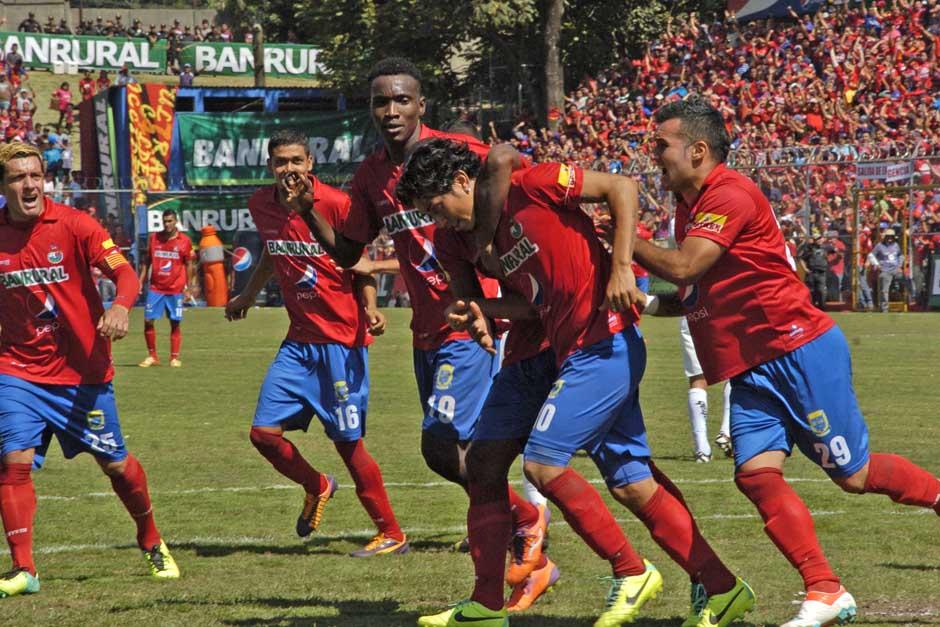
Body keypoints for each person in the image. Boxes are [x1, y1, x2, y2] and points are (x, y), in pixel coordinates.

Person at [400, 139, 754, 627]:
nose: (438, 221)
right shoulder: (452, 241)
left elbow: (617, 185)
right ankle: (720, 587)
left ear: (465, 183)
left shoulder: (532, 186)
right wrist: (475, 312)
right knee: (617, 481)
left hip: (598, 345)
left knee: (545, 466)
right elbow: (527, 305)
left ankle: (631, 571)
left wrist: (624, 266)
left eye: (436, 207)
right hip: (554, 348)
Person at [632, 96, 940, 627]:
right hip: (752, 367)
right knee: (755, 475)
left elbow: (685, 266)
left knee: (856, 475)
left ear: (698, 150)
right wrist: (648, 303)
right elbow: (700, 290)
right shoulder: (689, 205)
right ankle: (824, 588)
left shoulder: (728, 192)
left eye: (661, 144)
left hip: (795, 350)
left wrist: (622, 241)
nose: (652, 154)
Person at [294, 58, 544, 552]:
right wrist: (308, 212)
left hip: (471, 320)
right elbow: (349, 251)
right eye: (381, 101)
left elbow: (523, 178)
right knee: (460, 448)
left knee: (442, 444)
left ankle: (519, 520)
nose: (391, 110)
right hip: (425, 329)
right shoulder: (370, 175)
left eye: (402, 100)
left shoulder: (458, 152)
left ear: (421, 105)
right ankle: (510, 523)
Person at [0, 142, 180, 598]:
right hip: (17, 369)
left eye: (35, 175)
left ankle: (151, 539)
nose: (29, 185)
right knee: (13, 462)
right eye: (18, 177)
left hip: (82, 375)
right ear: (3, 187)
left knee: (116, 465)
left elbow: (125, 273)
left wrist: (121, 307)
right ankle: (23, 569)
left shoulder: (76, 224)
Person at [225, 129, 408, 557]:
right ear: (270, 166)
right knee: (262, 434)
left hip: (341, 345)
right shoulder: (261, 204)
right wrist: (248, 295)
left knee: (348, 444)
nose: (288, 169)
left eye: (295, 161)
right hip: (298, 343)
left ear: (310, 164)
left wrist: (370, 308)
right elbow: (273, 252)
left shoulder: (338, 205)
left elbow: (359, 263)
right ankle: (317, 485)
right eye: (280, 162)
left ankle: (392, 532)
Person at [138, 210, 195, 368]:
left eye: (170, 221)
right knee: (148, 320)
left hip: (175, 289)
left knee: (175, 322)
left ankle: (174, 357)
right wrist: (140, 281)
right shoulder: (154, 238)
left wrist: (189, 288)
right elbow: (146, 261)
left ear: (176, 221)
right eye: (165, 221)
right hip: (156, 287)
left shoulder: (184, 241)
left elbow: (190, 264)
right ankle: (152, 356)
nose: (167, 224)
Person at [680, 317, 732, 463]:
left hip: (692, 313)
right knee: (736, 373)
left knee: (697, 379)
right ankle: (727, 432)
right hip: (722, 310)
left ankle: (702, 450)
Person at [871, 228, 903, 312]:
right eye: (888, 236)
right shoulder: (879, 245)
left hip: (896, 269)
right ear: (885, 237)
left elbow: (900, 255)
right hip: (885, 270)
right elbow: (871, 256)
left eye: (891, 236)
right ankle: (884, 308)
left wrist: (900, 265)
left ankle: (908, 300)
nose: (890, 238)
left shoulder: (896, 245)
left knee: (906, 279)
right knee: (884, 290)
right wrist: (877, 264)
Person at [799, 233, 828, 310]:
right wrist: (805, 269)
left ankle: (822, 309)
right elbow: (801, 258)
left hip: (821, 273)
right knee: (811, 292)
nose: (819, 240)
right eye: (817, 239)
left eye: (820, 238)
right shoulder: (809, 249)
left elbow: (836, 252)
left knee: (821, 291)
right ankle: (812, 308)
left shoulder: (825, 248)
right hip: (811, 273)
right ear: (814, 241)